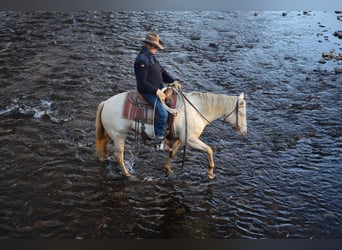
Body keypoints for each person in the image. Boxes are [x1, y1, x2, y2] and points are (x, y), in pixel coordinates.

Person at [134, 32, 181, 151]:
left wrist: (172, 80)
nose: (157, 49)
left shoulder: (152, 56)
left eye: (157, 47)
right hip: (147, 91)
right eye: (155, 47)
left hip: (158, 88)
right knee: (163, 113)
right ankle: (159, 141)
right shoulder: (142, 60)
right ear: (148, 45)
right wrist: (156, 91)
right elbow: (142, 83)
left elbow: (162, 72)